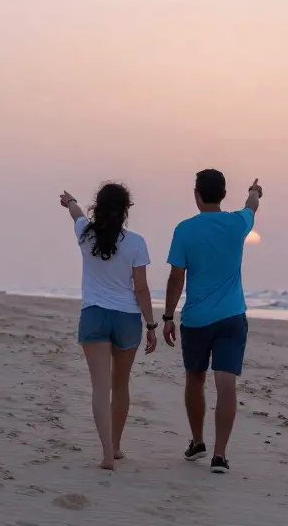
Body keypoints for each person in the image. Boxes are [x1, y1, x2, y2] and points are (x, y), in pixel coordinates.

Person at [162, 169, 262, 474]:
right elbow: (252, 205)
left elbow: (176, 277)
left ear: (196, 194)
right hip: (232, 315)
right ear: (222, 194)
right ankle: (220, 455)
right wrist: (255, 191)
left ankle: (197, 440)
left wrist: (167, 316)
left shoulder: (184, 230)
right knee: (226, 384)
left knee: (195, 378)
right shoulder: (237, 222)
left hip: (196, 318)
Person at [59, 183, 158, 470]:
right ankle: (115, 446)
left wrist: (71, 201)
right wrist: (151, 324)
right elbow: (141, 289)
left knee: (100, 388)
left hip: (94, 314)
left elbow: (76, 213)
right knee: (121, 385)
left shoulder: (85, 234)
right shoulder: (137, 242)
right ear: (126, 209)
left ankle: (105, 453)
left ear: (98, 207)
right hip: (126, 317)